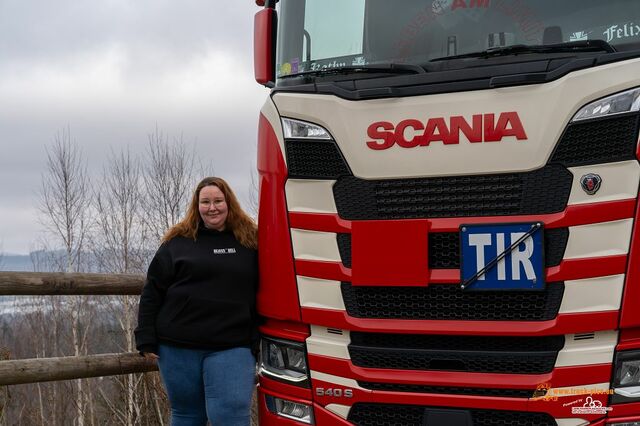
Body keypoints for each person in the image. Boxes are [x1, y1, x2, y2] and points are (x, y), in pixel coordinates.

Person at [135, 176, 259, 426]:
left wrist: (260, 336)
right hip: (178, 347)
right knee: (187, 415)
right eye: (205, 202)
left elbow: (265, 291)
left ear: (229, 203)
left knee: (231, 414)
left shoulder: (250, 242)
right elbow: (153, 291)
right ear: (196, 205)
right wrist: (145, 336)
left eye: (217, 201)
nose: (212, 207)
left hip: (232, 346)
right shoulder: (177, 243)